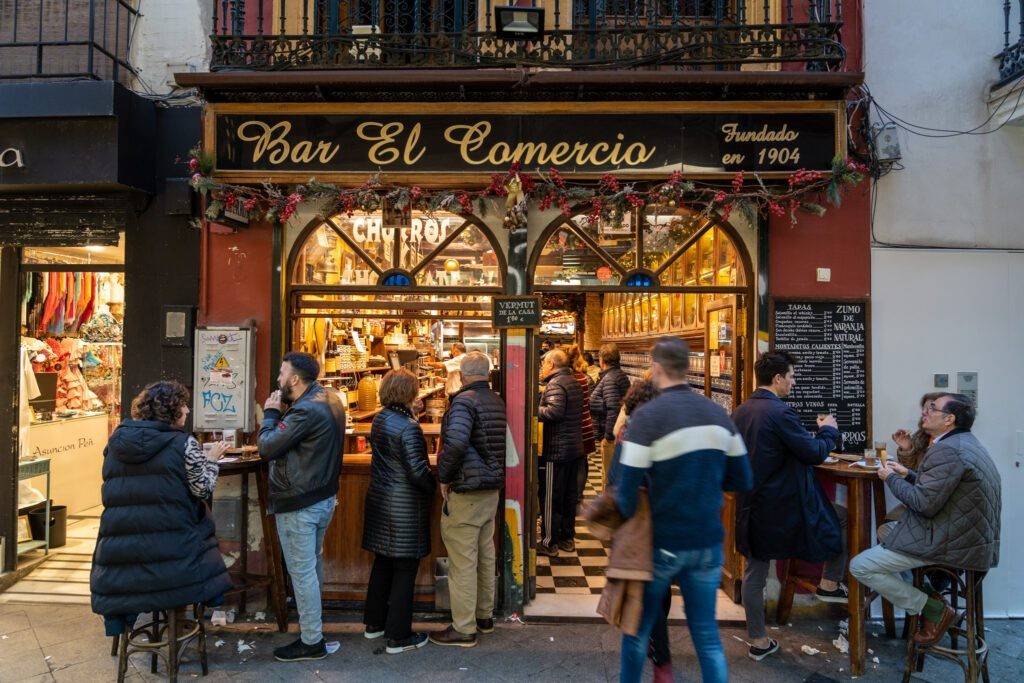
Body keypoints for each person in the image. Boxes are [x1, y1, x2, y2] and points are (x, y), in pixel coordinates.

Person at [616, 337, 752, 683]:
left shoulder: (647, 418)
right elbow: (743, 477)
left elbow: (626, 488)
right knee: (707, 637)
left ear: (657, 368)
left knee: (637, 633)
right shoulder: (718, 415)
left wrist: (630, 525)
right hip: (707, 541)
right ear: (689, 368)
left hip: (661, 540)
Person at [850, 393, 1001, 646]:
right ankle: (930, 598)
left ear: (949, 419)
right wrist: (908, 474)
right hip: (969, 540)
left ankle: (933, 609)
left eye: (933, 408)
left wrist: (890, 477)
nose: (925, 412)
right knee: (889, 532)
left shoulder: (948, 451)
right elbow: (938, 489)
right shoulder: (965, 443)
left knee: (860, 566)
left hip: (951, 543)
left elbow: (923, 504)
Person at [91, 381, 232, 637]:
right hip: (174, 556)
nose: (188, 411)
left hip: (122, 556)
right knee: (201, 537)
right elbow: (202, 489)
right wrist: (211, 461)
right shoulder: (183, 444)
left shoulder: (115, 443)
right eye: (184, 405)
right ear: (171, 410)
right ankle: (191, 614)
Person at [731, 350, 846, 663]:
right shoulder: (780, 412)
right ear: (778, 378)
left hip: (750, 504)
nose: (793, 382)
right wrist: (829, 431)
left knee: (755, 572)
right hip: (782, 507)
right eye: (792, 376)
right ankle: (829, 583)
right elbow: (812, 453)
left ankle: (757, 640)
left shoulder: (741, 411)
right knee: (842, 518)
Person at [257, 351, 346, 662]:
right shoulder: (331, 399)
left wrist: (270, 413)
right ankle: (314, 629)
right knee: (312, 566)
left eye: (282, 374)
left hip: (300, 502)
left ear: (295, 379)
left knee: (302, 571)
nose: (278, 380)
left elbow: (267, 447)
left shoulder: (305, 410)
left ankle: (311, 640)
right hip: (322, 498)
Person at [430, 352, 506, 648]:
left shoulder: (463, 402)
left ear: (461, 375)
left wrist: (444, 477)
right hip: (490, 490)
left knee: (463, 561)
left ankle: (463, 628)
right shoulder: (496, 400)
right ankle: (484, 617)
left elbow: (457, 442)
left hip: (468, 490)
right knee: (486, 555)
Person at [361, 369, 437, 654]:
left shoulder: (380, 419)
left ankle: (374, 624)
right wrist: (433, 486)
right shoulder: (408, 426)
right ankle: (398, 636)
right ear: (409, 394)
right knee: (405, 568)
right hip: (404, 507)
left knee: (383, 563)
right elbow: (418, 471)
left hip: (381, 501)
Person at [606, 378, 673, 682]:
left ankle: (658, 655)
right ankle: (658, 652)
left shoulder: (629, 433)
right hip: (664, 519)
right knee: (660, 586)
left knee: (646, 592)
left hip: (638, 522)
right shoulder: (667, 434)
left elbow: (618, 482)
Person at [537, 348, 584, 556]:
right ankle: (567, 538)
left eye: (544, 363)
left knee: (550, 497)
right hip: (574, 448)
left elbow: (554, 412)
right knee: (568, 496)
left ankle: (549, 542)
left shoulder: (555, 384)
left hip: (556, 450)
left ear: (552, 365)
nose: (542, 367)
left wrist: (531, 408)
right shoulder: (573, 381)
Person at [591, 343, 632, 490]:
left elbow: (613, 408)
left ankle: (608, 510)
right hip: (620, 434)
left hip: (612, 437)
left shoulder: (610, 379)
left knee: (609, 477)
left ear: (602, 360)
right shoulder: (619, 375)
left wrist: (608, 436)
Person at [566, 344, 597, 504]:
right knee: (582, 461)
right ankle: (579, 495)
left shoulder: (566, 380)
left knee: (571, 463)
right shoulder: (586, 379)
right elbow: (591, 402)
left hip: (571, 426)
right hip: (585, 424)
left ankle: (571, 493)